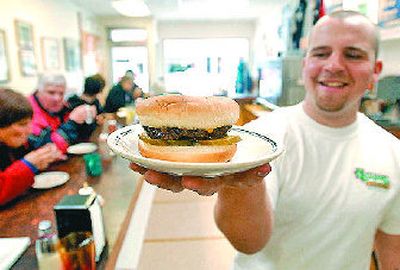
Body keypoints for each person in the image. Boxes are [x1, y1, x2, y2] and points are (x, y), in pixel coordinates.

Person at [130, 11, 400, 269]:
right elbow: (248, 241)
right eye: (321, 53)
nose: (333, 65)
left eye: (353, 55)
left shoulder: (394, 153)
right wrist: (240, 182)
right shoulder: (262, 138)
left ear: (376, 70)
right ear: (305, 64)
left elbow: (393, 250)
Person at [0, 88, 65, 205]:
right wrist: (28, 164)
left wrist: (43, 158)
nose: (30, 130)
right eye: (22, 124)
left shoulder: (14, 144)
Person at [29, 73, 97, 153]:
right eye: (51, 92)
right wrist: (72, 123)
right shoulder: (27, 112)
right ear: (39, 92)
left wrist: (88, 119)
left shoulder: (63, 106)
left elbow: (80, 136)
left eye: (61, 93)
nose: (57, 98)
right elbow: (46, 149)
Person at [67, 74, 106, 140]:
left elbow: (101, 114)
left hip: (92, 137)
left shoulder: (95, 102)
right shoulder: (73, 102)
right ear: (98, 91)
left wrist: (100, 118)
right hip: (77, 140)